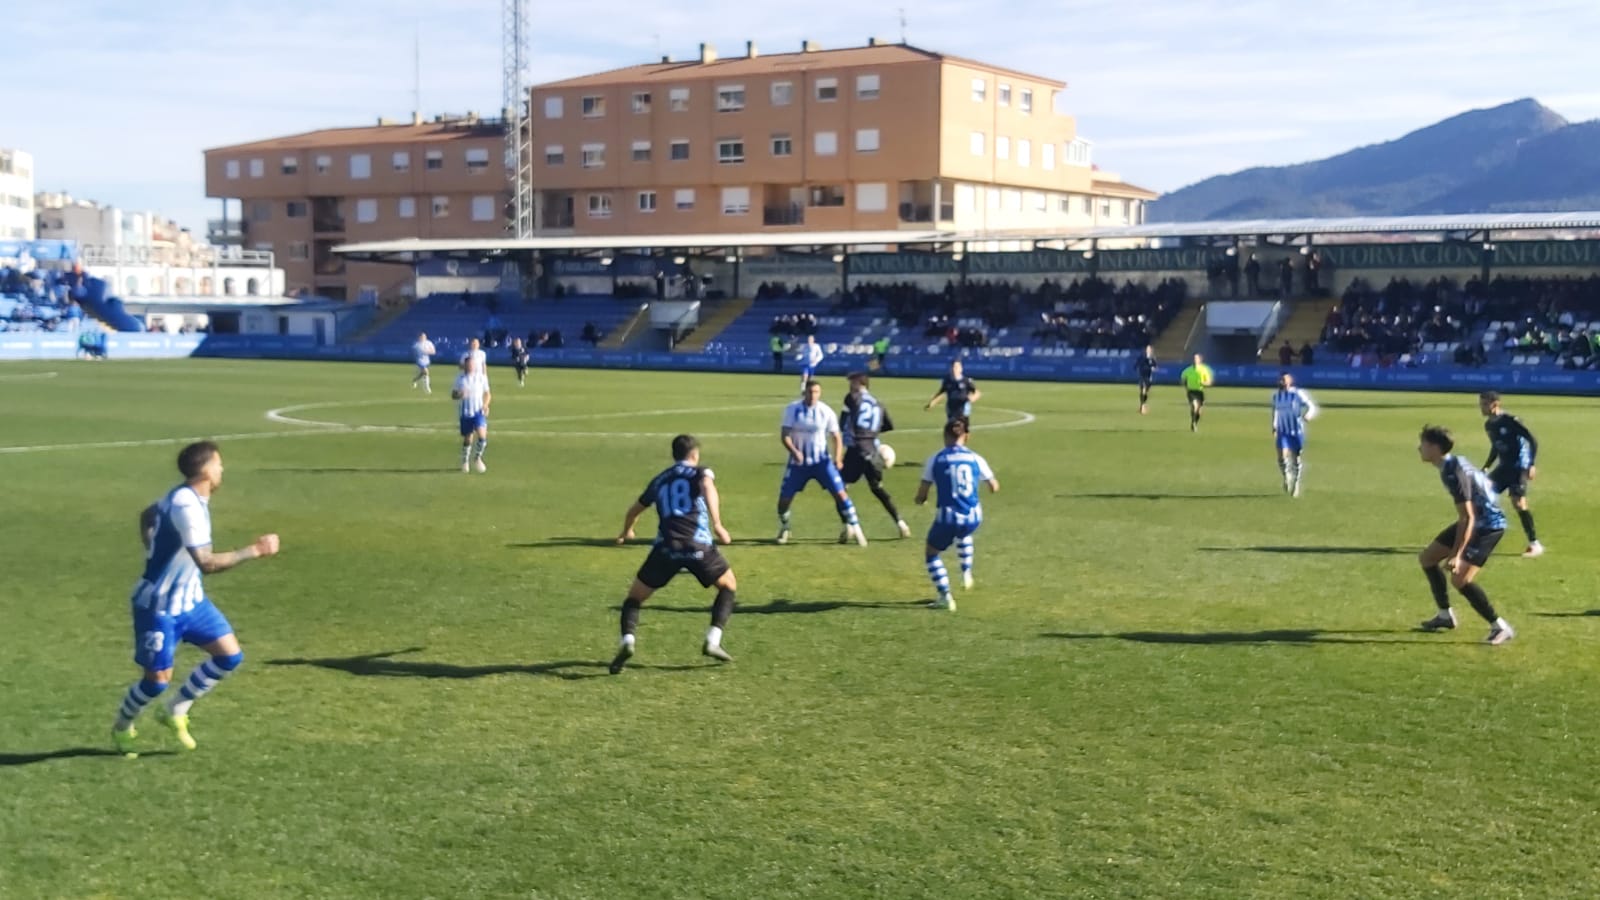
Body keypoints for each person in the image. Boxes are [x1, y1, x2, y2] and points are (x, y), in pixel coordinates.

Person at [111, 441, 281, 758]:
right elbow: (207, 563)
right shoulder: (186, 506)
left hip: (192, 600)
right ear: (205, 470)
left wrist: (153, 547)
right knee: (156, 682)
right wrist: (255, 550)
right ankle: (122, 726)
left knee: (229, 656)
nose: (222, 470)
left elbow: (147, 516)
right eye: (218, 464)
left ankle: (175, 709)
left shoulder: (185, 496)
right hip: (159, 608)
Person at [610, 434, 737, 674]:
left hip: (665, 547)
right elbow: (708, 486)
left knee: (634, 598)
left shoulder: (660, 479)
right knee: (728, 585)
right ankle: (713, 640)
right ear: (694, 455)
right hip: (697, 544)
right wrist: (718, 523)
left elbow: (634, 509)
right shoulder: (701, 472)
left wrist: (627, 531)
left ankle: (627, 640)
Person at [1416, 425, 1515, 645]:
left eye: (1422, 444)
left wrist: (1456, 555)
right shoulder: (1452, 463)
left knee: (1460, 579)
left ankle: (1499, 626)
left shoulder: (1453, 472)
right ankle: (1445, 616)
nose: (1419, 448)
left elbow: (1467, 517)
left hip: (1488, 525)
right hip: (1477, 520)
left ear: (1434, 447)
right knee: (1428, 559)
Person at [915, 419, 1000, 611]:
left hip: (948, 517)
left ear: (945, 437)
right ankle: (966, 573)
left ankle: (945, 596)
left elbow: (922, 494)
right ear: (966, 437)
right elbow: (994, 486)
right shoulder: (976, 458)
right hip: (973, 516)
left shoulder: (936, 458)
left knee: (931, 553)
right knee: (964, 532)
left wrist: (921, 499)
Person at [777, 380, 866, 546]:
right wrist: (795, 452)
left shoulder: (826, 411)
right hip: (798, 464)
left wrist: (838, 458)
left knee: (840, 494)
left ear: (820, 393)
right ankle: (785, 526)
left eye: (816, 392)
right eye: (810, 392)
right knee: (784, 501)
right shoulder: (792, 410)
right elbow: (785, 435)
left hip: (822, 463)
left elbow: (836, 437)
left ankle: (856, 527)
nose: (813, 395)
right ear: (805, 393)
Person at [839, 372, 911, 538]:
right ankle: (901, 523)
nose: (850, 386)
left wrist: (846, 442)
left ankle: (847, 526)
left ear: (860, 383)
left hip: (856, 449)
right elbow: (889, 425)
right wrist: (872, 433)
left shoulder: (852, 398)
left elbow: (843, 423)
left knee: (840, 487)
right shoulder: (879, 403)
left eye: (852, 382)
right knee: (877, 489)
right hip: (872, 450)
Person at [1479, 391, 1543, 557]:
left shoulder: (1511, 421)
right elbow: (1496, 446)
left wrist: (1531, 464)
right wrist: (1486, 466)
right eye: (1481, 404)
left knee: (1519, 503)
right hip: (1504, 467)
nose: (1482, 408)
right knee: (1481, 495)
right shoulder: (1489, 425)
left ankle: (1534, 543)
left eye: (1485, 404)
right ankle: (1483, 535)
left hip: (1519, 466)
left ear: (1495, 404)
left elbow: (1532, 440)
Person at [1271, 372, 1318, 497]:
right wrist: (1274, 426)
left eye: (1284, 380)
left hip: (1296, 431)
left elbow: (1312, 407)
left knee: (1296, 458)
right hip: (1282, 431)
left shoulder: (1298, 393)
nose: (1282, 382)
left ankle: (1296, 483)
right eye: (1280, 380)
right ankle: (1286, 477)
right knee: (1281, 457)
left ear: (1289, 381)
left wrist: (1308, 416)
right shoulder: (1276, 396)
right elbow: (1275, 412)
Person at [452, 358, 491, 473]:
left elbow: (488, 394)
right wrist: (459, 394)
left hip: (478, 412)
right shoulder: (459, 379)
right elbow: (453, 395)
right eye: (468, 365)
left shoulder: (481, 378)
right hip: (465, 413)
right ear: (465, 366)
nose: (470, 367)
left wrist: (485, 405)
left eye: (472, 365)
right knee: (468, 439)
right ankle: (465, 460)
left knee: (482, 436)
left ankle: (477, 458)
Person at [924, 359, 980, 425]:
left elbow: (977, 392)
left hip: (963, 409)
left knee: (961, 429)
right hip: (951, 408)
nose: (955, 369)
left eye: (957, 367)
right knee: (952, 429)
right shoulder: (948, 381)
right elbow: (941, 392)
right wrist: (932, 403)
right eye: (953, 367)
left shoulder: (966, 381)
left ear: (961, 369)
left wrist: (972, 398)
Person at [1178, 353, 1214, 432]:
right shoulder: (1188, 370)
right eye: (1194, 358)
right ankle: (1194, 423)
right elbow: (1182, 379)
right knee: (1194, 406)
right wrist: (1185, 384)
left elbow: (1209, 381)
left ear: (1200, 360)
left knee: (1199, 411)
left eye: (1196, 358)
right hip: (1191, 391)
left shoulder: (1204, 370)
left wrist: (1203, 383)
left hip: (1200, 392)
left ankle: (1194, 423)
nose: (1194, 360)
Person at [1135, 346, 1157, 415]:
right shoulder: (1142, 357)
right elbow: (1138, 364)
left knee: (1145, 392)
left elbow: (1154, 365)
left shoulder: (1152, 358)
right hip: (1142, 376)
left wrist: (1154, 368)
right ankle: (1142, 406)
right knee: (1142, 390)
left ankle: (1142, 405)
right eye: (1148, 349)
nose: (1149, 350)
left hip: (1148, 377)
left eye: (1150, 349)